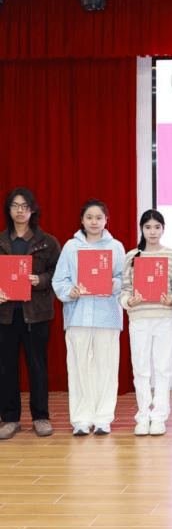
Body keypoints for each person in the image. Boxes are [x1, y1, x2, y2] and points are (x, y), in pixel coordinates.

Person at [52, 199, 124, 436]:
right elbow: (59, 280)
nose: (94, 222)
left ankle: (103, 418)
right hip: (78, 316)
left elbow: (125, 278)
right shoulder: (71, 247)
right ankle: (81, 419)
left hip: (107, 316)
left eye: (99, 217)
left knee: (106, 368)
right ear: (82, 220)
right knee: (79, 369)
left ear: (106, 220)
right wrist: (70, 291)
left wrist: (111, 284)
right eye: (89, 217)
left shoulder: (116, 247)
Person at [0, 186, 60, 439]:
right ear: (8, 210)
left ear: (33, 210)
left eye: (25, 206)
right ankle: (10, 419)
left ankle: (40, 417)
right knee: (6, 368)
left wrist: (40, 279)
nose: (20, 211)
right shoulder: (1, 241)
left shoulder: (47, 242)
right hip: (6, 314)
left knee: (38, 367)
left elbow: (59, 274)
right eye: (15, 206)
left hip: (36, 314)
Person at [119, 209, 172, 435]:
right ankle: (143, 415)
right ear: (141, 229)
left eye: (157, 227)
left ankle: (160, 416)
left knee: (163, 368)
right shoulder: (132, 256)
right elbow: (124, 289)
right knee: (141, 369)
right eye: (148, 227)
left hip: (163, 318)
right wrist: (129, 301)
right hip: (139, 318)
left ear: (163, 229)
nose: (152, 232)